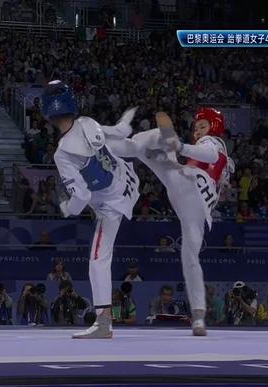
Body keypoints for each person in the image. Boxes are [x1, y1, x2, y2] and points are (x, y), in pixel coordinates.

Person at [106, 108, 234, 336]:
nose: (198, 131)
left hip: (189, 189)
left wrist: (181, 146)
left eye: (202, 126)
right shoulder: (219, 157)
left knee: (150, 145)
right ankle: (198, 318)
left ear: (214, 127)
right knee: (191, 259)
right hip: (188, 196)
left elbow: (211, 155)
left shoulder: (213, 142)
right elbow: (217, 168)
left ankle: (198, 318)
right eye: (196, 128)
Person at [42, 80, 139, 339]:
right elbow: (118, 131)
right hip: (126, 181)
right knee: (122, 146)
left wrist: (67, 209)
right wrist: (128, 118)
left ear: (47, 113)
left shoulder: (63, 153)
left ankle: (104, 321)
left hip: (109, 204)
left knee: (98, 258)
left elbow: (82, 196)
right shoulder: (88, 121)